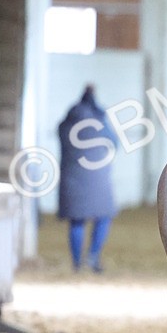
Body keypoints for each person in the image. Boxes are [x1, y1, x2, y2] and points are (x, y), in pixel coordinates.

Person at [57, 85, 118, 272]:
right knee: (104, 217)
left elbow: (61, 138)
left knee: (77, 221)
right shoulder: (100, 119)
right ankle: (93, 257)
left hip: (72, 179)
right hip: (98, 179)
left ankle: (77, 263)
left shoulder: (67, 122)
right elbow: (114, 143)